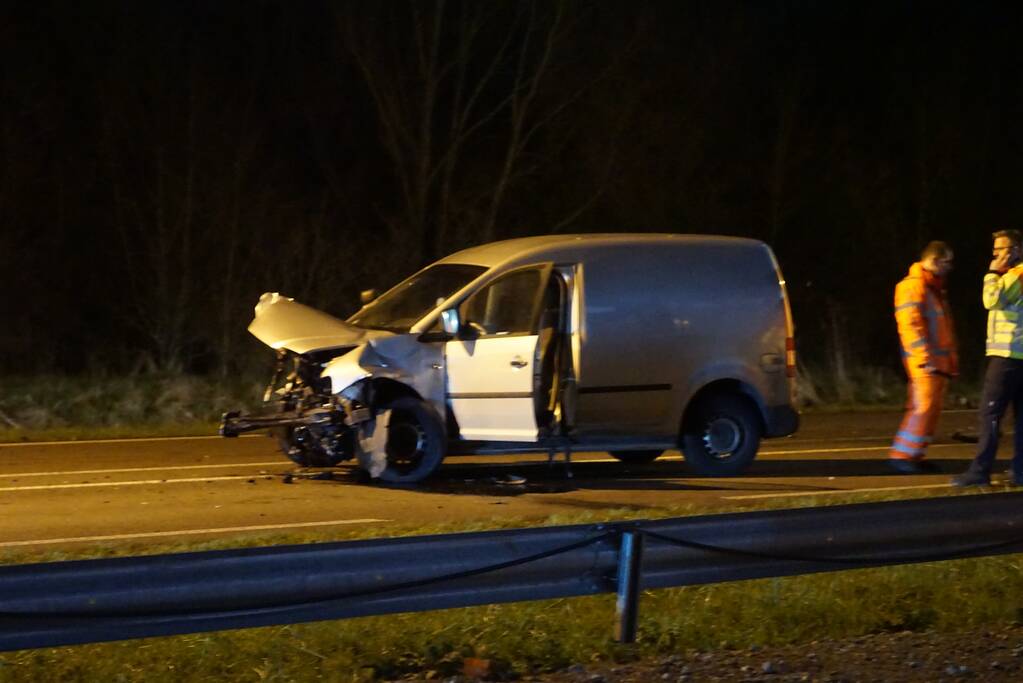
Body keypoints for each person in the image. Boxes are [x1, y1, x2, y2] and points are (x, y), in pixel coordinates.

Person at [953, 229, 1023, 487]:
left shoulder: (1017, 274)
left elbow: (991, 300)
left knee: (989, 414)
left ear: (1016, 250)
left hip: (1008, 355)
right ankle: (1020, 472)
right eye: (994, 250)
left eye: (1000, 249)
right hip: (1017, 355)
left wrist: (992, 273)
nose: (995, 255)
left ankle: (980, 470)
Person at [889, 241, 957, 474]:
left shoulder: (932, 287)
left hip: (934, 362)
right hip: (924, 361)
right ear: (935, 260)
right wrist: (922, 357)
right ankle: (903, 455)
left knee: (931, 408)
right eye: (947, 262)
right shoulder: (914, 286)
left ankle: (915, 455)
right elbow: (909, 325)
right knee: (923, 406)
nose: (950, 267)